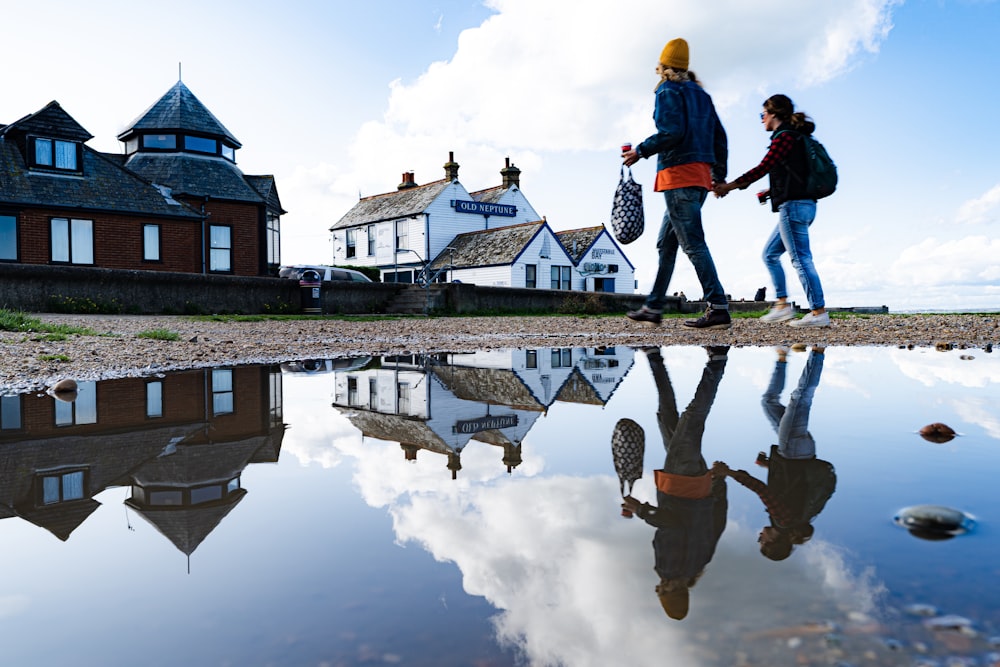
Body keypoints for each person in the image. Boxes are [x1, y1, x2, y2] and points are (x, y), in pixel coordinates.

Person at [622, 38, 731, 329]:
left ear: (662, 66)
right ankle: (654, 306)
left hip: (679, 175)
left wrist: (641, 151)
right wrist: (718, 176)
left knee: (693, 243)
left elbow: (672, 132)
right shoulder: (702, 95)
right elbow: (720, 138)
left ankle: (718, 306)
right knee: (666, 243)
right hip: (700, 176)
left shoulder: (667, 90)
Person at [621, 346, 729, 619]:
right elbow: (672, 523)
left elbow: (718, 523)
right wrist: (640, 510)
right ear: (672, 593)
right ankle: (717, 360)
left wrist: (718, 485)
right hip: (680, 483)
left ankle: (654, 356)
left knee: (666, 414)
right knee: (693, 418)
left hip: (697, 483)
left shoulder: (700, 564)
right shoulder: (669, 569)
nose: (658, 589)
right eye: (663, 593)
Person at [714, 94, 829, 328]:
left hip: (793, 207)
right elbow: (795, 175)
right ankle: (782, 305)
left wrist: (730, 186)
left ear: (773, 114)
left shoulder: (784, 137)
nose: (761, 120)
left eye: (762, 114)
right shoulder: (797, 138)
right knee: (770, 254)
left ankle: (818, 312)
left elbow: (763, 167)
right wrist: (770, 192)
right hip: (804, 204)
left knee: (801, 259)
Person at [713, 346, 836, 560]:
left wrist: (769, 465)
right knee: (800, 398)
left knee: (769, 402)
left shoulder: (794, 519)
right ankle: (818, 351)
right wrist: (729, 473)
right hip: (793, 450)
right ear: (774, 541)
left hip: (798, 453)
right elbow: (762, 491)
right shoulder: (783, 521)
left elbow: (795, 484)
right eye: (762, 541)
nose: (760, 536)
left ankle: (782, 354)